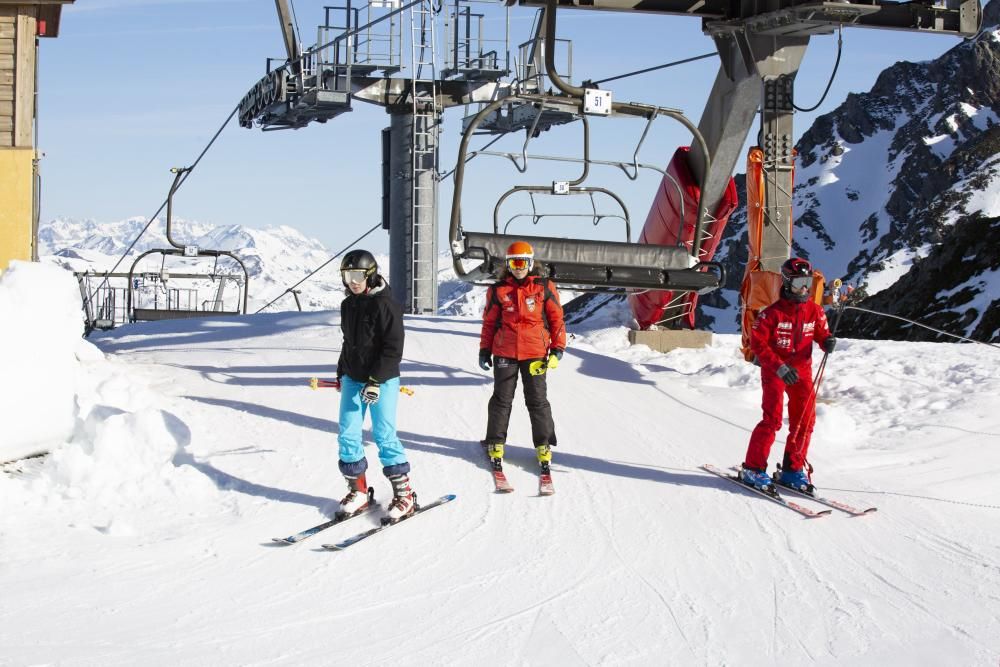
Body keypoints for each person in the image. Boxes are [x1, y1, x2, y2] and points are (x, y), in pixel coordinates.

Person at [741, 257, 836, 493]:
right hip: (776, 371)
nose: (803, 288)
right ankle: (753, 468)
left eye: (806, 282)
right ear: (786, 282)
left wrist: (827, 342)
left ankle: (792, 470)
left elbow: (822, 333)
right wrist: (779, 366)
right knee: (772, 420)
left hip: (801, 372)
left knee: (805, 421)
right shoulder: (772, 314)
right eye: (797, 282)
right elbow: (758, 343)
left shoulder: (814, 311)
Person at [334, 249, 416, 522]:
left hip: (382, 379)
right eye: (348, 276)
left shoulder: (386, 306)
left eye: (357, 275)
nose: (352, 281)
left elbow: (393, 349)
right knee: (347, 434)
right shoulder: (349, 305)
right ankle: (358, 491)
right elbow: (349, 343)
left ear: (370, 275)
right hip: (353, 377)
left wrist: (375, 380)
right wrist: (341, 372)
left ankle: (405, 495)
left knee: (383, 434)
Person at [479, 240, 567, 476]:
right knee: (501, 400)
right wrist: (484, 349)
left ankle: (544, 445)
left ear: (530, 263)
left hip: (535, 352)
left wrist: (558, 349)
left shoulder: (544, 287)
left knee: (537, 401)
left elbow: (557, 319)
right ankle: (495, 443)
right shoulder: (498, 290)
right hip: (505, 351)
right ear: (508, 264)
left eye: (522, 262)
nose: (518, 267)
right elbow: (489, 323)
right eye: (514, 263)